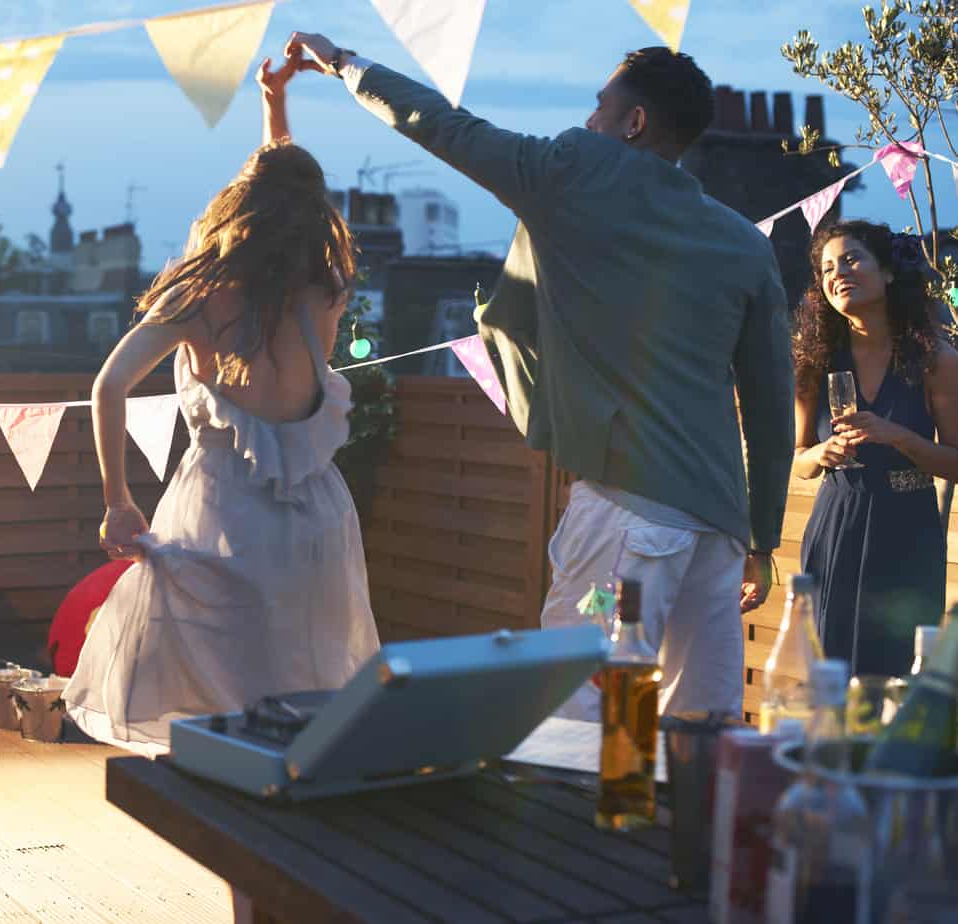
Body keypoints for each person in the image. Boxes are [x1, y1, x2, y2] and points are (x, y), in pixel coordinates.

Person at [284, 33, 795, 720]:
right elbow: (768, 409)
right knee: (698, 735)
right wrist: (761, 537)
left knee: (580, 723)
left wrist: (345, 63)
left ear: (633, 123)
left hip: (627, 524)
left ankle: (593, 828)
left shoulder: (574, 171)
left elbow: (444, 126)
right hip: (718, 535)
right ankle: (665, 827)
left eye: (600, 107)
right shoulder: (741, 240)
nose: (588, 122)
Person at [62, 53, 380, 755]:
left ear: (239, 206)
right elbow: (287, 185)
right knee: (305, 679)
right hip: (318, 517)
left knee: (225, 685)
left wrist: (117, 499)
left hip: (225, 506)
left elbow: (109, 385)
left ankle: (232, 803)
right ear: (312, 216)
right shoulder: (326, 290)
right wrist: (275, 109)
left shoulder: (198, 297)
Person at [794, 221, 958, 676]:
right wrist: (821, 453)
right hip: (836, 522)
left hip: (906, 530)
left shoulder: (937, 360)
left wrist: (899, 437)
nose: (837, 273)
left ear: (887, 272)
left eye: (851, 259)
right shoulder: (814, 363)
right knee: (828, 673)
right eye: (827, 267)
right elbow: (799, 459)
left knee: (894, 674)